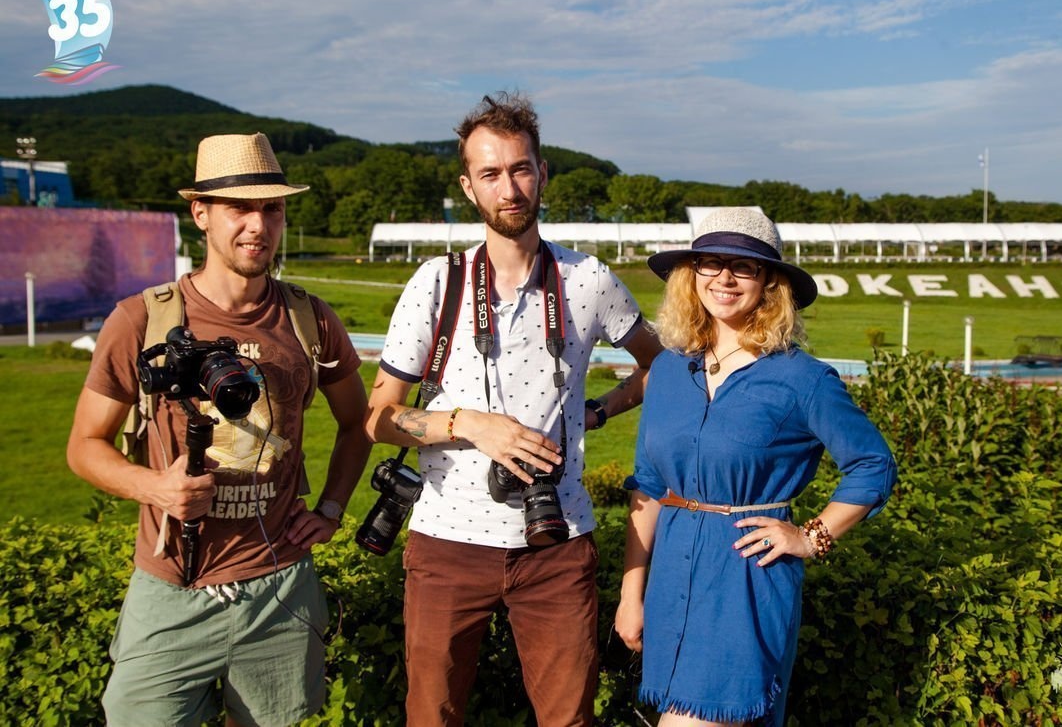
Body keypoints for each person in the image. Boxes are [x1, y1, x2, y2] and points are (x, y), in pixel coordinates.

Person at [365, 91, 662, 726]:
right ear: (468, 186)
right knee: (432, 717)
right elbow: (379, 417)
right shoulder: (435, 283)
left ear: (542, 173)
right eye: (491, 173)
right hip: (446, 541)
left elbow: (659, 368)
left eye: (521, 168)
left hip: (557, 541)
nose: (510, 187)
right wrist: (469, 425)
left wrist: (597, 411)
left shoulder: (589, 281)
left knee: (568, 719)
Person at [66, 133, 372, 726]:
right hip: (171, 586)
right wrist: (155, 489)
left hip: (281, 588)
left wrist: (332, 509)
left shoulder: (310, 319)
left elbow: (356, 424)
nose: (258, 225)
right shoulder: (142, 319)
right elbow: (83, 446)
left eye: (272, 208)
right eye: (240, 208)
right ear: (200, 214)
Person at [615, 208, 897, 726]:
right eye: (710, 262)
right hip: (670, 580)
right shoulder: (670, 371)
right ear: (690, 274)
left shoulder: (801, 379)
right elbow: (649, 487)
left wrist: (812, 536)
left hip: (744, 579)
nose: (724, 277)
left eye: (743, 266)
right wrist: (631, 595)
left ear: (770, 282)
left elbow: (873, 465)